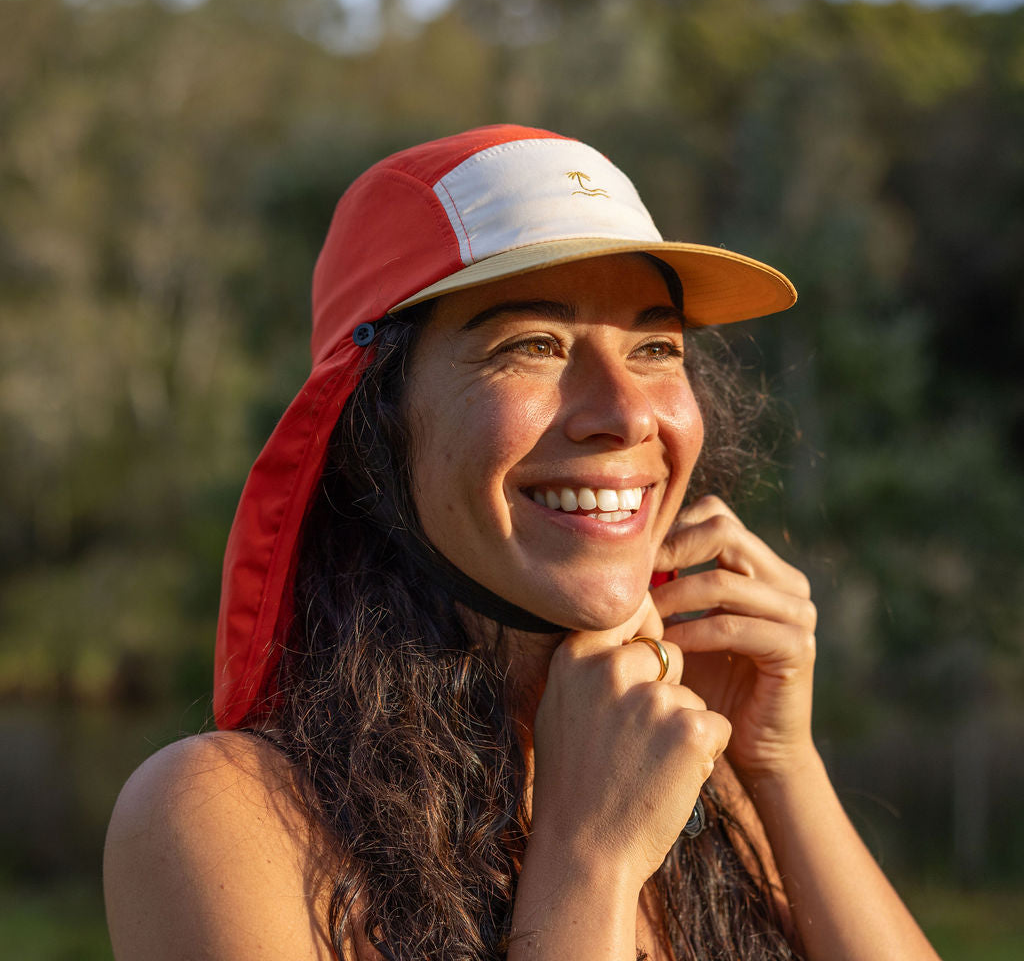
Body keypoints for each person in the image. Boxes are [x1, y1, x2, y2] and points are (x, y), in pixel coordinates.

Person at [103, 124, 940, 961]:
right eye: (532, 346)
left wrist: (779, 762)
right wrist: (591, 863)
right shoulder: (225, 814)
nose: (625, 413)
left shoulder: (688, 758)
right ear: (372, 428)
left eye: (655, 347)